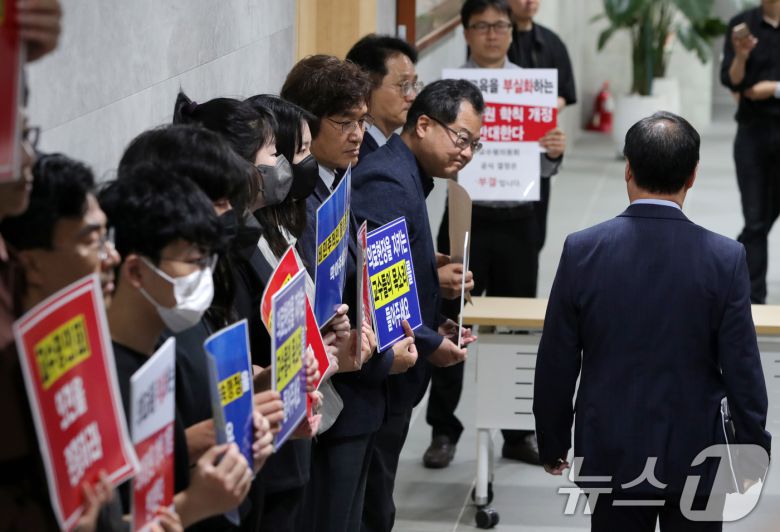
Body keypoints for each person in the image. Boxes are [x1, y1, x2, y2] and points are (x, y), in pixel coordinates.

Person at [533, 112, 771, 531]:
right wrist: (752, 449)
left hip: (610, 450)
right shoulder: (725, 259)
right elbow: (743, 369)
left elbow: (556, 359)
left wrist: (553, 440)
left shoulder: (582, 251)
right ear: (693, 175)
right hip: (697, 454)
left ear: (628, 167)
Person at [426, 0, 567, 469]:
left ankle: (516, 431)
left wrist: (552, 150)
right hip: (466, 215)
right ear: (465, 32)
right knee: (451, 319)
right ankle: (443, 430)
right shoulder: (446, 92)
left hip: (518, 220)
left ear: (512, 31)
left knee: (517, 327)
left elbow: (547, 166)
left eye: (500, 26)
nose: (492, 34)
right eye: (482, 26)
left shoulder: (528, 87)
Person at [352, 79, 481, 532]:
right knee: (372, 506)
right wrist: (428, 343)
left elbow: (399, 268)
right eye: (461, 139)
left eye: (474, 145)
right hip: (381, 375)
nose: (466, 152)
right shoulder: (388, 179)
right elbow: (378, 286)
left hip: (402, 358)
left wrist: (437, 321)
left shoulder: (410, 174)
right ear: (423, 124)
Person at [100, 166, 260, 528]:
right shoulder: (106, 384)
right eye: (193, 262)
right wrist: (194, 503)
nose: (205, 276)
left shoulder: (158, 358)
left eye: (209, 261)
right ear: (137, 272)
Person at [0, 152, 150, 531]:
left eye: (107, 237)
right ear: (32, 264)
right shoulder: (10, 367)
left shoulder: (89, 338)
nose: (111, 256)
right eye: (91, 241)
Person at [720, 0, 780, 304]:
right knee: (755, 218)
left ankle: (726, 263)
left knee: (762, 221)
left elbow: (755, 89)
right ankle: (754, 302)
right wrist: (741, 56)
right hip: (753, 133)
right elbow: (734, 81)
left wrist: (772, 88)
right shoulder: (742, 23)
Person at [345, 34, 422, 159]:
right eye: (403, 85)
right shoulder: (356, 153)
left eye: (414, 85)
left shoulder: (380, 149)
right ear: (365, 87)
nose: (412, 96)